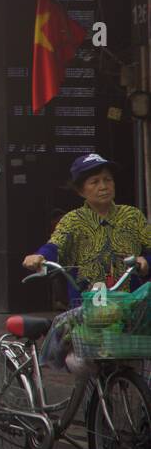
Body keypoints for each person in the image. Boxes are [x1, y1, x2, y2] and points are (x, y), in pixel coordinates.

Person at [22, 153, 151, 372]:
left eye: (108, 180)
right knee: (81, 361)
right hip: (90, 309)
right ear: (81, 190)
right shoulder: (73, 221)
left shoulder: (133, 216)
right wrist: (39, 257)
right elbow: (55, 246)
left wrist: (145, 260)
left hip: (131, 308)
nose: (104, 186)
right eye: (95, 182)